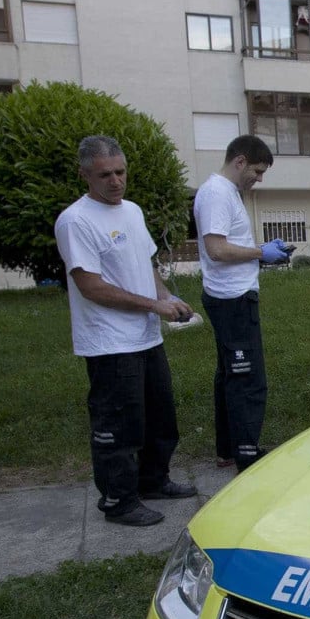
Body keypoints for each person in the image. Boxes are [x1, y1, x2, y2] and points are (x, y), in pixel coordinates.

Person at [54, 135, 199, 527]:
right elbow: (91, 286)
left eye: (120, 172)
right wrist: (154, 306)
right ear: (85, 175)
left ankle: (153, 481)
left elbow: (145, 264)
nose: (116, 181)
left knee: (159, 417)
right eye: (105, 175)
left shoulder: (131, 211)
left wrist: (169, 298)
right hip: (109, 342)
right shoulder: (76, 221)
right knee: (119, 425)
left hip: (146, 336)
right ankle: (118, 500)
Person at [192, 134, 287, 472]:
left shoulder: (224, 192)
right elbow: (217, 249)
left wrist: (260, 254)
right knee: (248, 379)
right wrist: (262, 253)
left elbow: (230, 245)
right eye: (258, 171)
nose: (259, 179)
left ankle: (228, 450)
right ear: (240, 161)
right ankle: (247, 456)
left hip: (231, 296)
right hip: (231, 301)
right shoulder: (218, 193)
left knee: (231, 375)